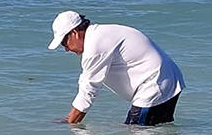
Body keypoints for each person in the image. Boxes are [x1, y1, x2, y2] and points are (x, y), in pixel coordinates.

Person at [48, 11, 185, 126]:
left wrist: (71, 123)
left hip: (154, 84)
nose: (66, 49)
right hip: (166, 79)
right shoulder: (100, 33)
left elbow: (88, 90)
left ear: (74, 33)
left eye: (64, 43)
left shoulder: (94, 45)